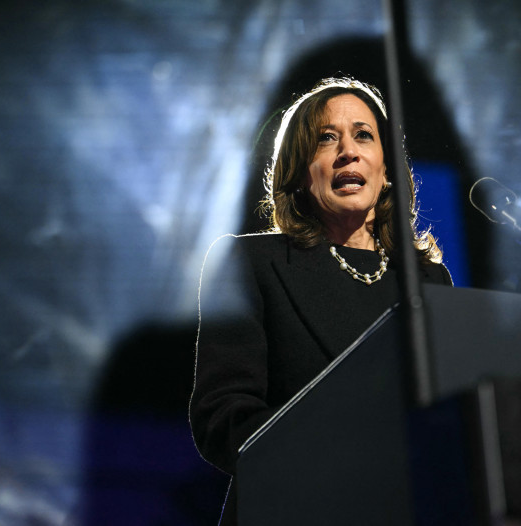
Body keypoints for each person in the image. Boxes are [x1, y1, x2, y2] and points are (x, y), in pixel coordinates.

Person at [189, 77, 453, 525]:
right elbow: (223, 417)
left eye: (363, 135)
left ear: (386, 170)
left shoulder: (428, 282)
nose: (348, 150)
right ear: (299, 170)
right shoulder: (252, 263)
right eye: (326, 138)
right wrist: (329, 461)